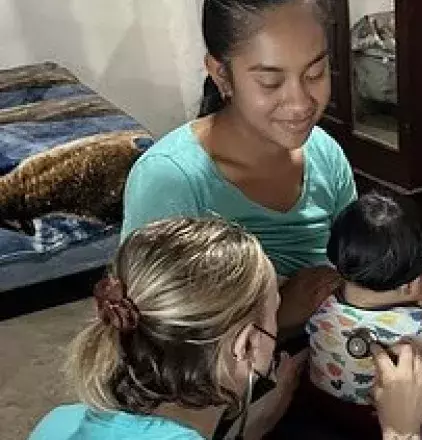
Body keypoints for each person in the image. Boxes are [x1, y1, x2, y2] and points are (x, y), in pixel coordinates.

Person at [29, 218, 422, 440]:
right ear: (245, 347)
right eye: (275, 311)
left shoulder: (59, 422)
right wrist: (400, 430)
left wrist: (252, 428)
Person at [121, 0, 356, 330]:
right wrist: (279, 317)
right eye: (271, 83)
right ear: (222, 75)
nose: (301, 102)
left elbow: (360, 266)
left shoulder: (325, 155)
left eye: (314, 74)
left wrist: (407, 284)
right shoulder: (171, 180)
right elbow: (153, 341)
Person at [301, 192, 422, 438]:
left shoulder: (319, 298)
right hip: (383, 416)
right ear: (409, 285)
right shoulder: (418, 327)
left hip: (324, 400)